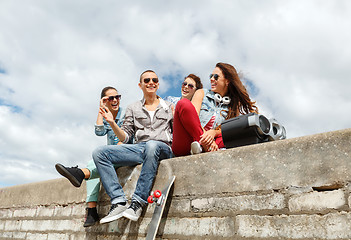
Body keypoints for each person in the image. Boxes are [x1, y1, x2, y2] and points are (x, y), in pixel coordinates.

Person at [57, 70, 173, 224]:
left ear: (158, 84)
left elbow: (177, 131)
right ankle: (118, 201)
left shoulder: (169, 106)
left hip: (162, 147)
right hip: (140, 148)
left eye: (154, 80)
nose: (151, 82)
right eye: (146, 80)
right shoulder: (133, 108)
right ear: (140, 85)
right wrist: (111, 122)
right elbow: (125, 136)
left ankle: (137, 202)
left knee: (152, 146)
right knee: (99, 153)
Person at [55, 86, 128, 227]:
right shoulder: (107, 115)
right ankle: (92, 209)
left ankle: (80, 175)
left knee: (98, 161)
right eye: (110, 98)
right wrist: (101, 110)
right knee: (91, 162)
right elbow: (99, 132)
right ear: (104, 101)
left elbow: (124, 138)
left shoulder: (125, 113)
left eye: (117, 97)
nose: (114, 100)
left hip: (125, 152)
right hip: (111, 155)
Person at [172, 62, 258, 156]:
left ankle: (201, 147)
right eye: (211, 76)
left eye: (216, 76)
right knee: (183, 103)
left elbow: (230, 128)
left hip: (213, 143)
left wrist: (214, 132)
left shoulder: (233, 105)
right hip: (189, 141)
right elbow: (193, 120)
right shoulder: (201, 93)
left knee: (238, 130)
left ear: (227, 81)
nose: (212, 79)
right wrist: (206, 141)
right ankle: (203, 146)